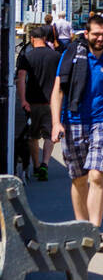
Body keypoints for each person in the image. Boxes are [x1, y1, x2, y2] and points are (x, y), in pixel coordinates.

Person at [50, 13, 103, 248]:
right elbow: (57, 92)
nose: (101, 38)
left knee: (96, 175)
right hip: (72, 121)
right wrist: (56, 122)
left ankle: (94, 231)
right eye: (96, 34)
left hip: (100, 122)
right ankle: (81, 227)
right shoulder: (70, 57)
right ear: (87, 35)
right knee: (79, 179)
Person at [16, 24, 61, 180]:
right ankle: (45, 163)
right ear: (44, 39)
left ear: (33, 39)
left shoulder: (26, 57)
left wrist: (23, 100)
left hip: (31, 102)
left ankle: (35, 165)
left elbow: (21, 79)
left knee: (33, 137)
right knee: (49, 136)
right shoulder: (56, 56)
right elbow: (60, 82)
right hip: (51, 103)